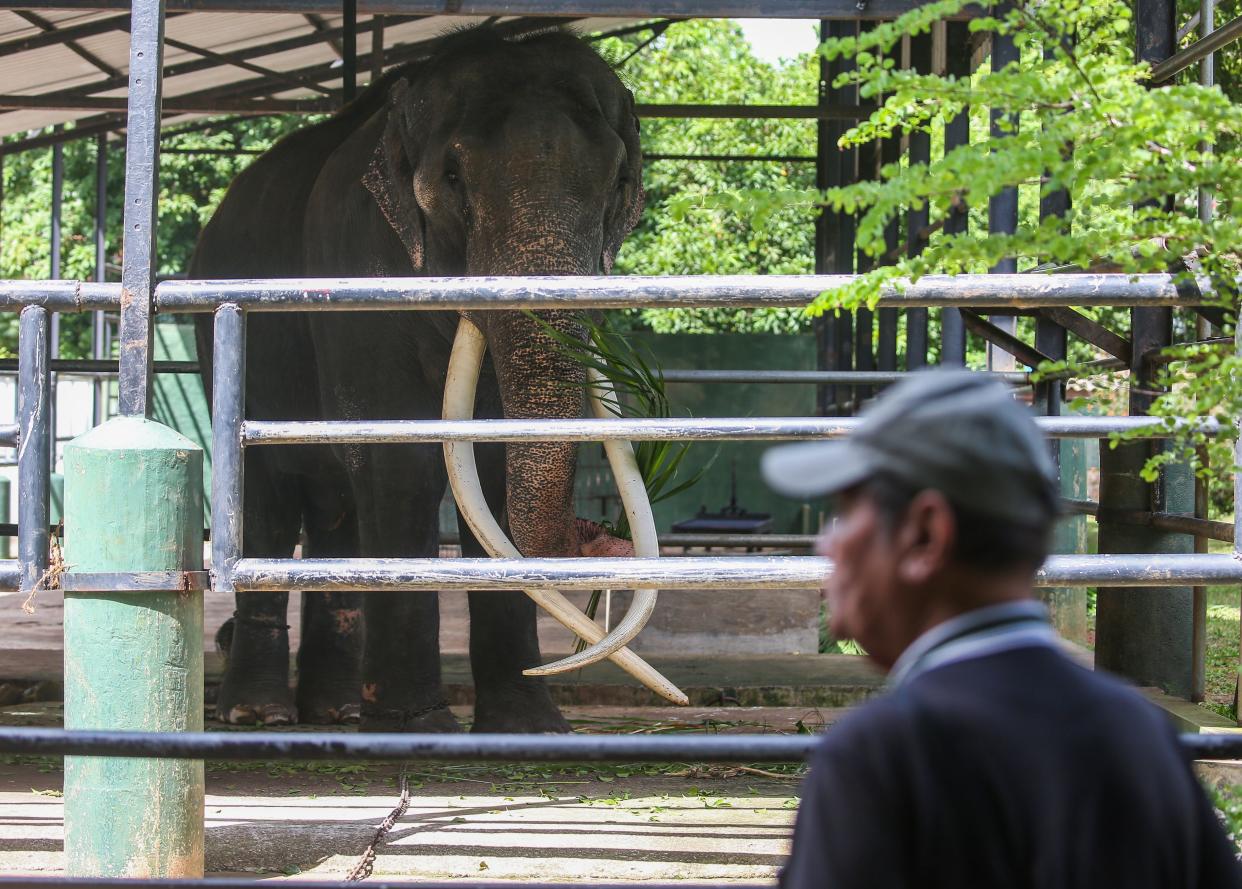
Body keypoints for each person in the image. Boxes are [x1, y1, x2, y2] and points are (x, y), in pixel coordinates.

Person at [761, 369, 1240, 889]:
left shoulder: (886, 757)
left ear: (926, 534)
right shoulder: (1139, 736)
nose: (828, 546)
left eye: (849, 512)